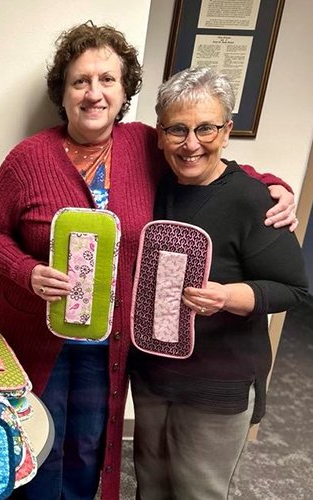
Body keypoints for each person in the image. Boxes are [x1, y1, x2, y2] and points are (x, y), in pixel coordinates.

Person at [0, 22, 297, 500]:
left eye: (108, 80)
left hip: (112, 340)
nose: (94, 93)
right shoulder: (27, 158)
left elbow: (208, 158)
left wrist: (274, 184)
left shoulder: (144, 144)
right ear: (62, 92)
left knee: (90, 444)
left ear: (124, 92)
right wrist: (27, 272)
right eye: (80, 81)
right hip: (42, 334)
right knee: (40, 443)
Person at [129, 67, 307, 500]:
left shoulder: (252, 199)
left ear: (226, 131)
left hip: (218, 383)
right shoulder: (154, 184)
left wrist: (229, 296)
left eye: (205, 128)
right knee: (149, 484)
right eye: (178, 129)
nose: (191, 143)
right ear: (160, 134)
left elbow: (295, 290)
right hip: (153, 372)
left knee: (198, 491)